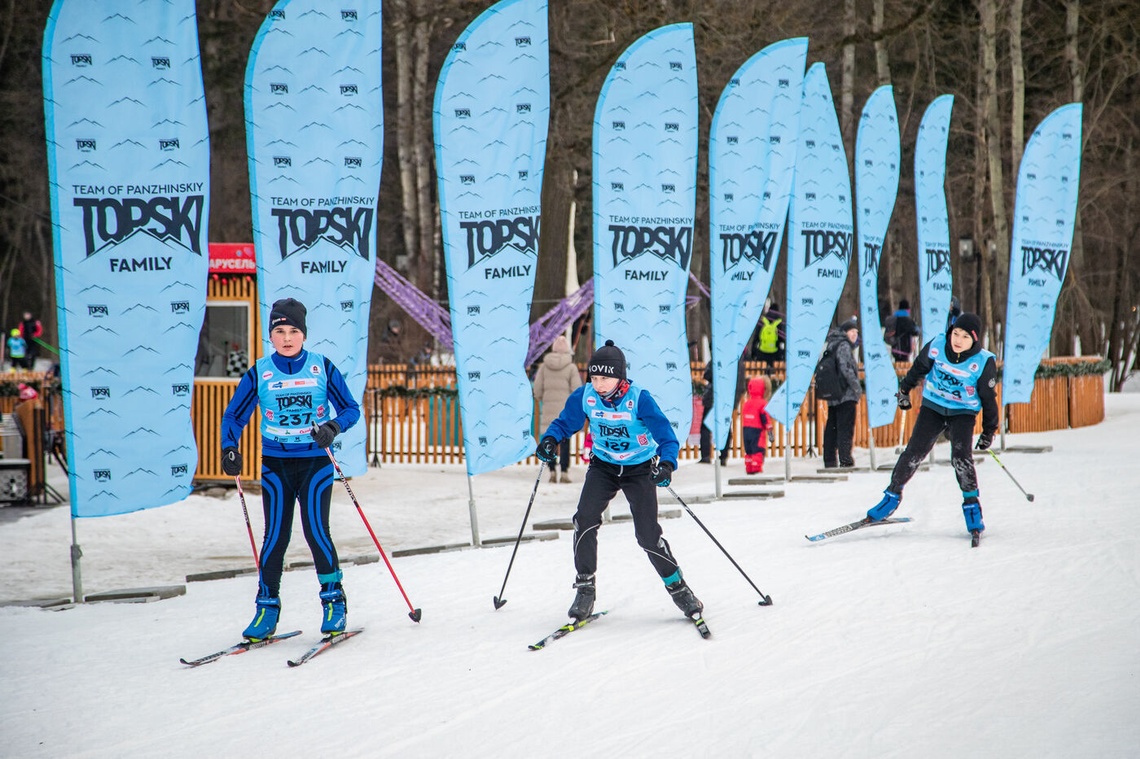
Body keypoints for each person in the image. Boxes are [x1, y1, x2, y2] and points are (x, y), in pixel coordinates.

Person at [220, 298, 361, 640]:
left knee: (316, 532)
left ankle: (333, 603)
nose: (286, 337)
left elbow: (351, 409)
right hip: (276, 464)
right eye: (279, 331)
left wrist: (332, 427)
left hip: (314, 463)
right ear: (271, 335)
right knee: (275, 537)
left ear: (303, 334)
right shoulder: (260, 372)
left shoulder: (320, 367)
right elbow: (234, 415)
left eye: (293, 331)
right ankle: (266, 609)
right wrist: (229, 446)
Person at [534, 339, 703, 623]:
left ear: (619, 377)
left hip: (639, 469)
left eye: (605, 378)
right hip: (604, 467)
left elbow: (665, 435)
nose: (599, 384)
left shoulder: (639, 398)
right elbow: (565, 422)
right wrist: (550, 439)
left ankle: (679, 588)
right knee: (584, 519)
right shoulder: (585, 396)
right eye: (595, 377)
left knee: (647, 535)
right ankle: (585, 588)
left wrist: (666, 464)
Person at [865, 313, 998, 544]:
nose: (957, 339)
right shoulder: (937, 345)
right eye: (955, 333)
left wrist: (989, 431)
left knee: (961, 458)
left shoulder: (984, 362)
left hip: (963, 412)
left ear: (974, 340)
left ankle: (972, 508)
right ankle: (891, 497)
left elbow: (988, 398)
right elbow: (918, 369)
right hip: (933, 407)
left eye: (965, 336)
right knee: (914, 453)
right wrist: (903, 392)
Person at [532, 335, 582, 483]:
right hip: (565, 409)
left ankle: (552, 471)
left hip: (548, 407)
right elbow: (576, 390)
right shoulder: (571, 367)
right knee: (564, 439)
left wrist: (542, 398)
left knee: (550, 439)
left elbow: (537, 388)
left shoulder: (543, 367)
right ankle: (565, 471)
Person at [821, 320, 862, 468]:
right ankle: (845, 458)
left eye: (856, 332)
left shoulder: (832, 344)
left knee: (832, 426)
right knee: (845, 426)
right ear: (845, 333)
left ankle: (829, 459)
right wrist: (857, 388)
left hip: (834, 393)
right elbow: (846, 369)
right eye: (852, 331)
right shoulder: (844, 346)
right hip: (845, 394)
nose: (854, 334)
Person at [698, 358, 745, 465]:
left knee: (706, 426)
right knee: (725, 425)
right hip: (727, 398)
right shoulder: (738, 362)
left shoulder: (718, 355)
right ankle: (723, 456)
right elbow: (740, 384)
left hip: (713, 397)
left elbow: (707, 375)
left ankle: (706, 455)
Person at [740, 376, 771, 474]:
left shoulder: (746, 403)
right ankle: (756, 468)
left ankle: (749, 467)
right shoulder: (762, 403)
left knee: (749, 450)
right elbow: (765, 418)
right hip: (757, 430)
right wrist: (769, 429)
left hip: (746, 429)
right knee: (758, 450)